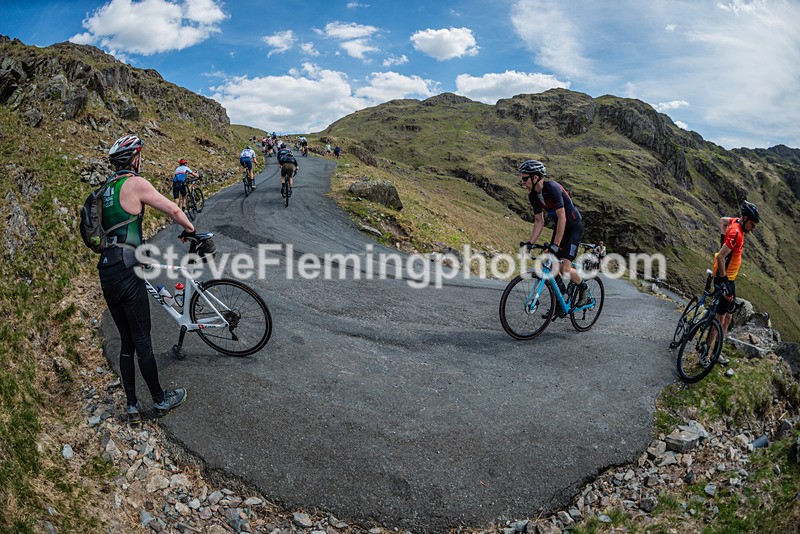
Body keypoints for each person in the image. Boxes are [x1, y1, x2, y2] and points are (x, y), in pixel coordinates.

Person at [100, 134, 193, 423]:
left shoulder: (106, 190)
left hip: (106, 268)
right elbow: (173, 208)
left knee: (127, 341)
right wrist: (190, 229)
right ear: (136, 158)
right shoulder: (136, 183)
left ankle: (131, 405)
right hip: (129, 268)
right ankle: (160, 400)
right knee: (143, 339)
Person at [519, 159, 590, 306]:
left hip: (573, 226)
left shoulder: (553, 188)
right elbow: (539, 221)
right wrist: (529, 243)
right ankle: (561, 300)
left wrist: (556, 245)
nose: (522, 182)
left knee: (564, 268)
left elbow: (562, 218)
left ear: (535, 177)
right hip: (560, 227)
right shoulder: (533, 196)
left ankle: (584, 289)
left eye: (525, 178)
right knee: (549, 263)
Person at [706, 201, 760, 357]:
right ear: (745, 218)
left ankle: (717, 349)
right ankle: (706, 352)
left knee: (728, 317)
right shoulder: (736, 232)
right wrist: (723, 281)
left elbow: (723, 220)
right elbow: (721, 257)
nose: (754, 228)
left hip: (730, 279)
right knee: (719, 318)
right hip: (725, 279)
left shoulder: (736, 222)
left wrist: (723, 241)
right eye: (752, 224)